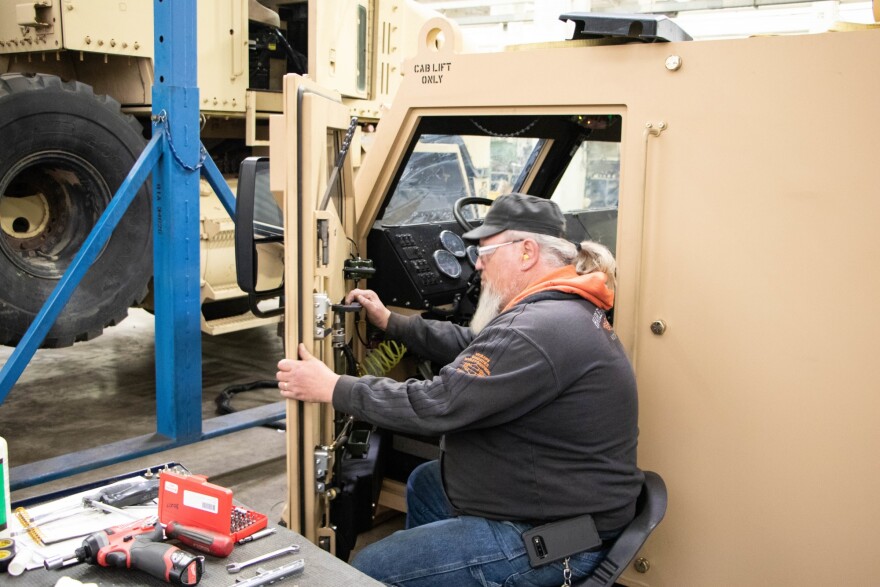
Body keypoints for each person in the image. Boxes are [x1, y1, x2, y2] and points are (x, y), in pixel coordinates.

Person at [277, 193, 643, 586]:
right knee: (427, 484)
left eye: (486, 251)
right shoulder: (559, 307)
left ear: (526, 252)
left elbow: (437, 404)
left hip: (556, 537)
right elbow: (475, 345)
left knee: (372, 569)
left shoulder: (538, 328)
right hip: (561, 501)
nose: (478, 263)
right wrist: (391, 321)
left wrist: (333, 387)